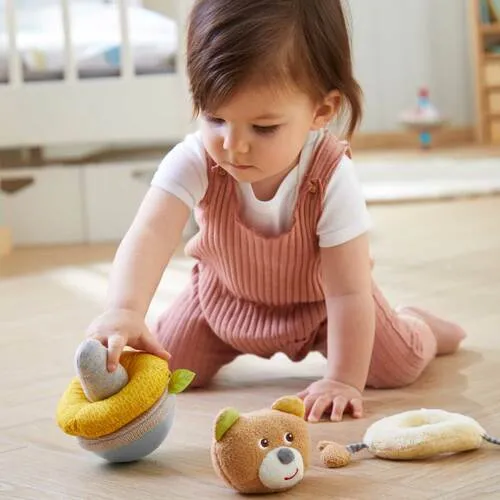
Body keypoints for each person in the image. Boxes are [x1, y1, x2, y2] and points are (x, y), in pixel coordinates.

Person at [86, 0, 465, 422]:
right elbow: (150, 235)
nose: (233, 145)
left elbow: (348, 291)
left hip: (324, 308)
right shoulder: (194, 159)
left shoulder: (330, 176)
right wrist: (124, 309)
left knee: (397, 367)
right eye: (215, 118)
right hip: (221, 302)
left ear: (322, 110)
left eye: (263, 128)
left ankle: (420, 326)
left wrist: (341, 379)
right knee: (165, 368)